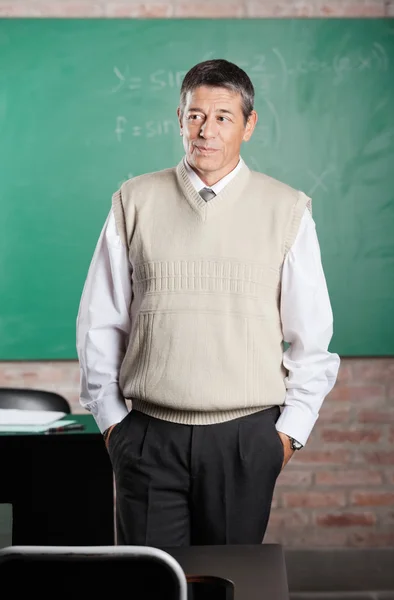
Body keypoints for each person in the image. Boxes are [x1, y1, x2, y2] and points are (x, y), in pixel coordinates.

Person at [76, 59, 340, 549]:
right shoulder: (133, 201)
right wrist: (114, 425)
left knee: (230, 584)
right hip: (149, 435)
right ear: (179, 118)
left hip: (246, 439)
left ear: (249, 124)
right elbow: (100, 322)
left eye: (223, 117)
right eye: (195, 115)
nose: (207, 130)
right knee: (152, 582)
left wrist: (287, 436)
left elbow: (312, 337)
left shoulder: (286, 209)